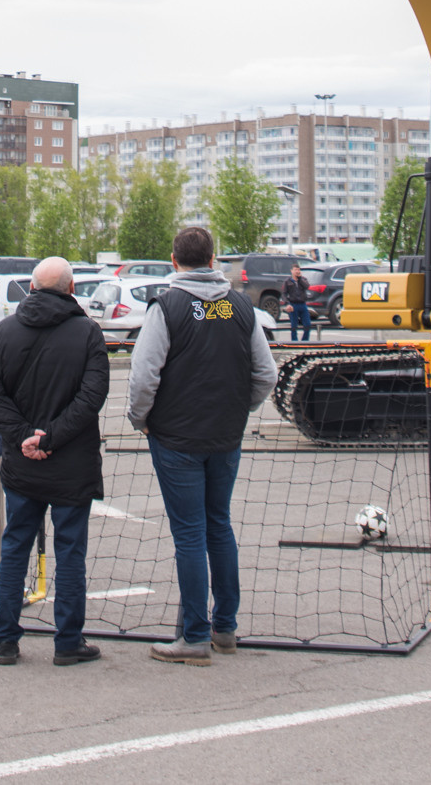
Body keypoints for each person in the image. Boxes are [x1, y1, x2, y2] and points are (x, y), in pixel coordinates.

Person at [128, 225, 277, 664]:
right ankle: (224, 628)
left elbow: (143, 376)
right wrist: (240, 410)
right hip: (224, 437)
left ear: (174, 261)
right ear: (213, 260)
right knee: (219, 525)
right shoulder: (241, 307)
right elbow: (265, 374)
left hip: (176, 439)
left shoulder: (167, 306)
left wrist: (141, 420)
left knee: (190, 534)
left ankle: (193, 637)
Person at [0, 256, 109, 667]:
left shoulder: (2, 332)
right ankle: (68, 640)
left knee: (15, 545)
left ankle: (6, 638)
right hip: (71, 463)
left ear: (31, 288)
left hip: (24, 463)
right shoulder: (88, 332)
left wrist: (24, 437)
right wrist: (49, 437)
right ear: (72, 289)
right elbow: (92, 396)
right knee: (70, 552)